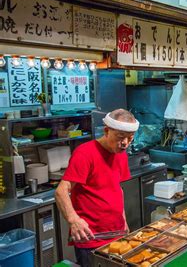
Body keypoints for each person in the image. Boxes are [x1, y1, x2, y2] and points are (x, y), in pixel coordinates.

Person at [55, 109, 139, 267]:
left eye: (130, 138)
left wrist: (124, 220)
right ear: (107, 131)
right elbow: (61, 191)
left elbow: (117, 189)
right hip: (91, 238)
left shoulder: (121, 154)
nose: (125, 143)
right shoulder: (85, 153)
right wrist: (74, 220)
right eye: (120, 137)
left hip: (117, 233)